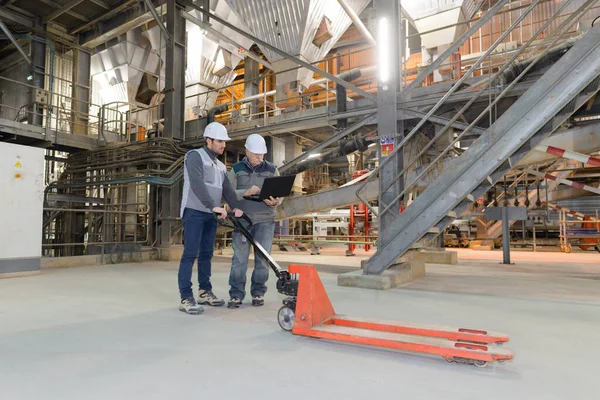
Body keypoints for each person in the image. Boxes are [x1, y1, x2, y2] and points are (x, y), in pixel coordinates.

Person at [178, 122, 244, 315]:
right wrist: (212, 205)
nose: (223, 145)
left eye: (224, 141)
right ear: (209, 140)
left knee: (207, 253)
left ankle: (205, 291)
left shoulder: (221, 165)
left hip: (210, 214)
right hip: (194, 211)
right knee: (190, 254)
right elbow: (197, 184)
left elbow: (227, 190)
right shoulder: (194, 156)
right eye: (220, 141)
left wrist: (236, 207)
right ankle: (185, 297)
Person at [227, 133, 282, 308]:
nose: (259, 157)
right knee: (239, 259)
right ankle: (236, 294)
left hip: (266, 220)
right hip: (243, 221)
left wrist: (277, 201)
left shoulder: (272, 169)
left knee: (263, 260)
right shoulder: (236, 169)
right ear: (247, 151)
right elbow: (227, 194)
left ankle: (258, 292)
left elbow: (280, 194)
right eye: (256, 153)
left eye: (262, 154)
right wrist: (245, 192)